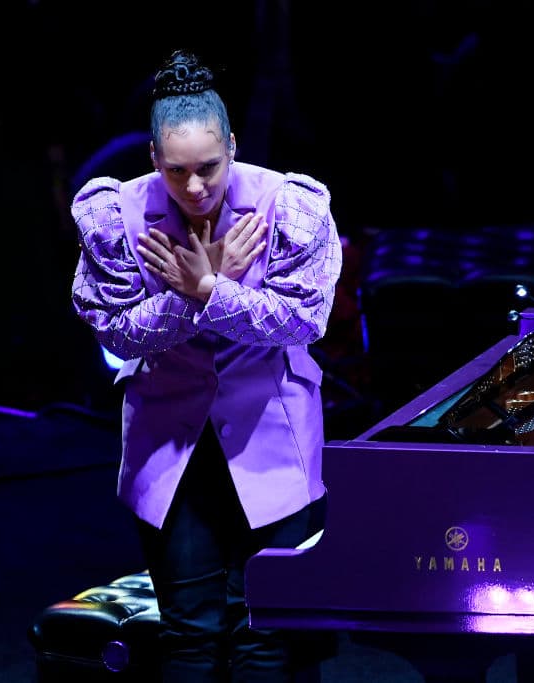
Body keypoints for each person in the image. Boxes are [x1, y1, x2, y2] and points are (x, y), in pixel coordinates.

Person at [69, 48, 342, 682]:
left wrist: (210, 290)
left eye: (210, 168)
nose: (194, 188)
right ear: (154, 160)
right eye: (176, 171)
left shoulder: (291, 207)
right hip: (170, 442)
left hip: (274, 438)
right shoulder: (117, 215)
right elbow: (115, 334)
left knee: (267, 630)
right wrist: (197, 294)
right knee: (189, 632)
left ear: (234, 146)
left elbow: (304, 322)